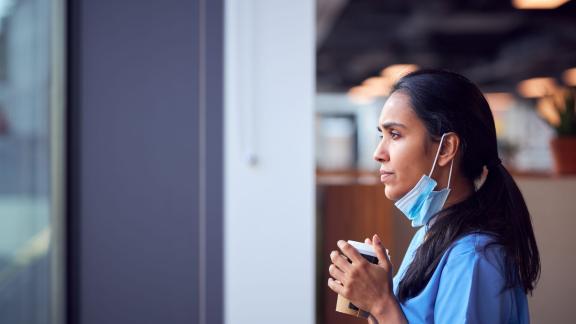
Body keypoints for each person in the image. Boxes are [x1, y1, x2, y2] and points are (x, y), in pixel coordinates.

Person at [327, 69, 540, 323]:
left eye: (395, 134)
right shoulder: (429, 235)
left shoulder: (473, 258)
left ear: (446, 148)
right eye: (381, 135)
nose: (378, 153)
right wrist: (373, 304)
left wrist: (382, 303)